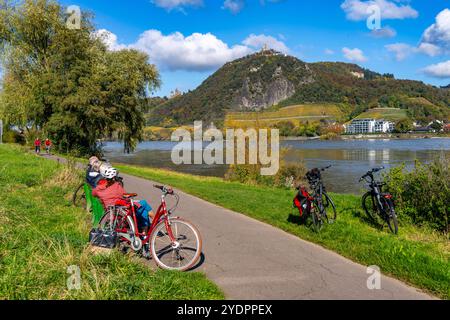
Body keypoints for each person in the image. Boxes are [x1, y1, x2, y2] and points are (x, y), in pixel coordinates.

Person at [92, 166, 155, 233]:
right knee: (144, 203)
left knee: (143, 211)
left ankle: (144, 233)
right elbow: (124, 195)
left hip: (110, 213)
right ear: (114, 178)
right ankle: (154, 222)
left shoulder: (98, 189)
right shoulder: (116, 186)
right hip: (121, 213)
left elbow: (94, 193)